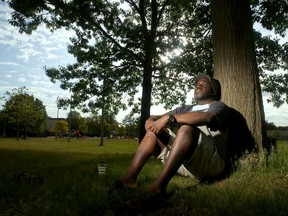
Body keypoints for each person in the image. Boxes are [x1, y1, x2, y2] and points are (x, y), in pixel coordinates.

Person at [117, 73, 231, 198]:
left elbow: (208, 117)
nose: (198, 86)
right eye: (197, 84)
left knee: (187, 128)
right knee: (154, 132)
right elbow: (158, 118)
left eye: (204, 84)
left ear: (214, 91)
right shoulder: (187, 108)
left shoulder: (218, 106)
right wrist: (150, 121)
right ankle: (129, 179)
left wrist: (170, 118)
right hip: (186, 162)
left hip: (212, 164)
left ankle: (158, 187)